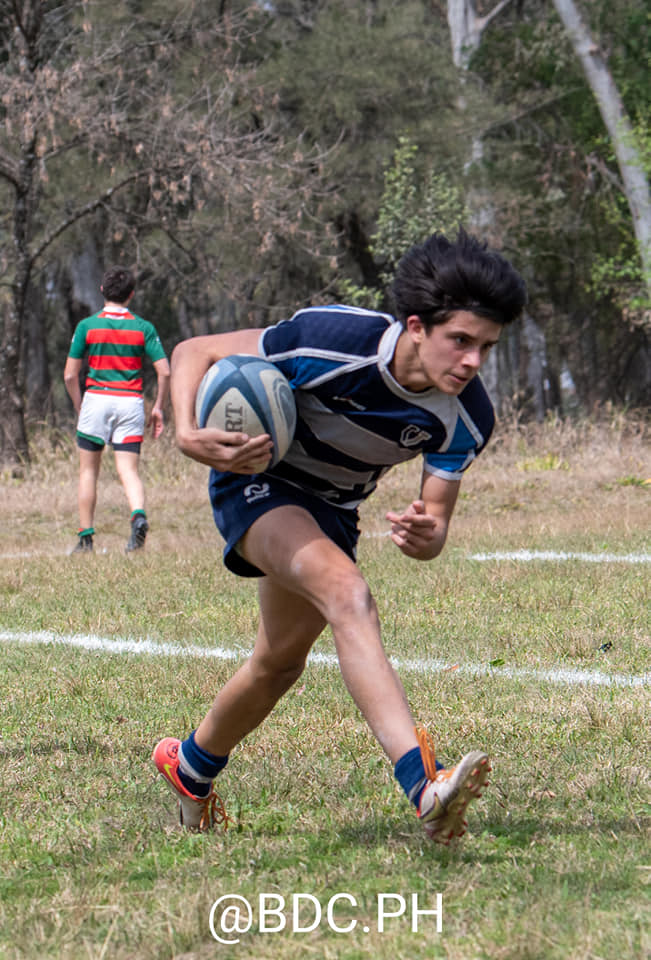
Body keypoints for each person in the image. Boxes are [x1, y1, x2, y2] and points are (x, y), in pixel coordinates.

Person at [153, 228, 527, 844]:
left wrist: (425, 534)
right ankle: (424, 787)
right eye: (460, 341)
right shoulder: (332, 340)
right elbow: (196, 350)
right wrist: (189, 434)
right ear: (415, 326)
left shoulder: (467, 416)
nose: (472, 362)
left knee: (277, 664)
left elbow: (435, 528)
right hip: (260, 483)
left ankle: (189, 767)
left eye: (486, 347)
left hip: (333, 513)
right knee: (349, 595)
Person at [63, 266, 170, 554]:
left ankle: (86, 539)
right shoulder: (143, 328)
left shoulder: (87, 326)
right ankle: (138, 516)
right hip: (131, 402)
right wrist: (158, 407)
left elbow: (70, 376)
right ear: (131, 294)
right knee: (128, 470)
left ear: (102, 291)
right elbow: (165, 371)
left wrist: (79, 405)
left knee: (88, 472)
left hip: (97, 400)